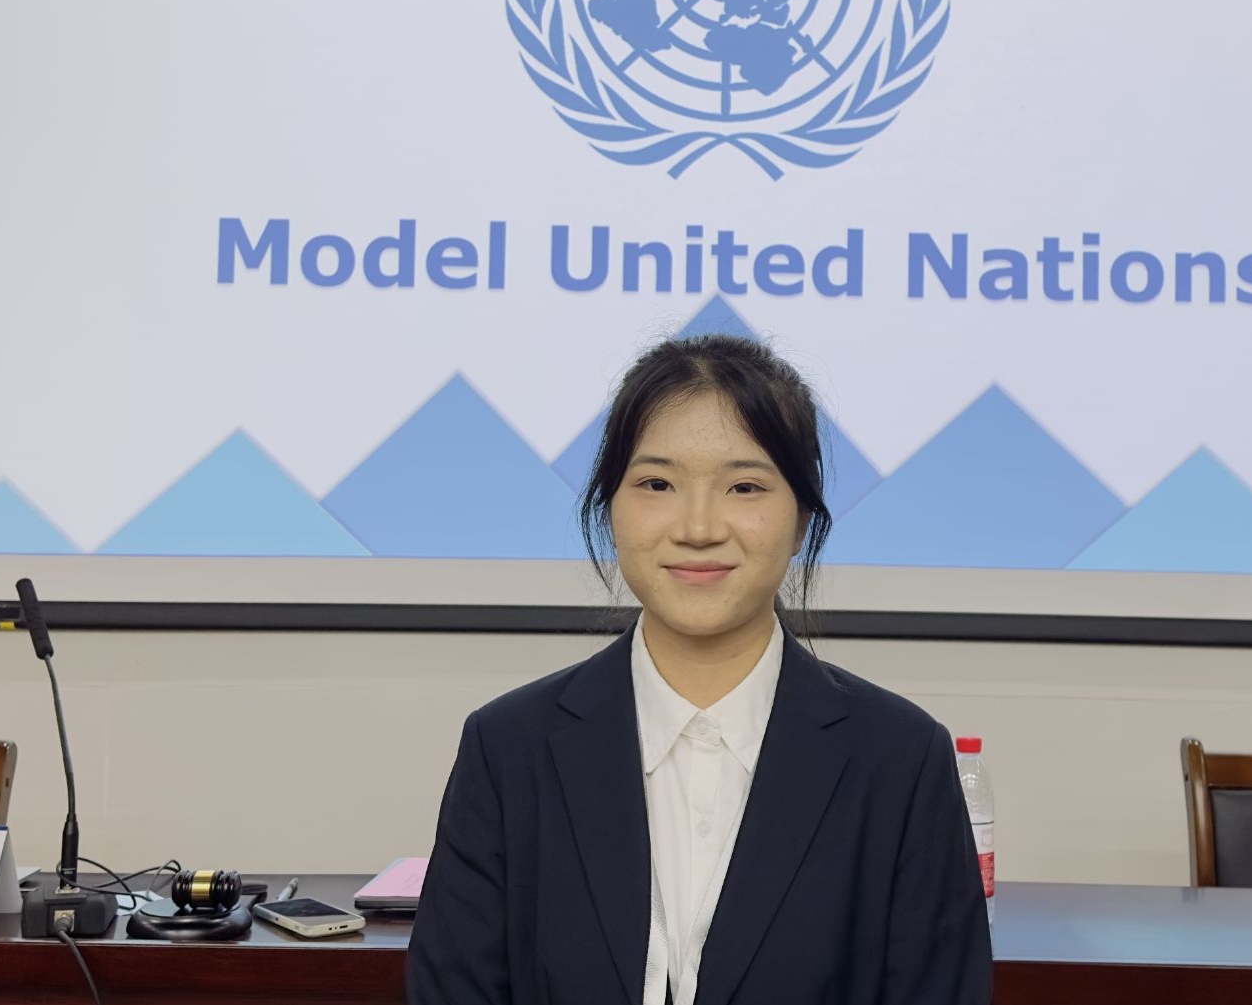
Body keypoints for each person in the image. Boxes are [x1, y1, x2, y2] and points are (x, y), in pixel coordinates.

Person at [407, 334, 992, 1005]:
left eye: (744, 486)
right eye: (657, 484)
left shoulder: (901, 759)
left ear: (802, 518)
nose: (697, 527)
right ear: (609, 505)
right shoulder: (508, 748)